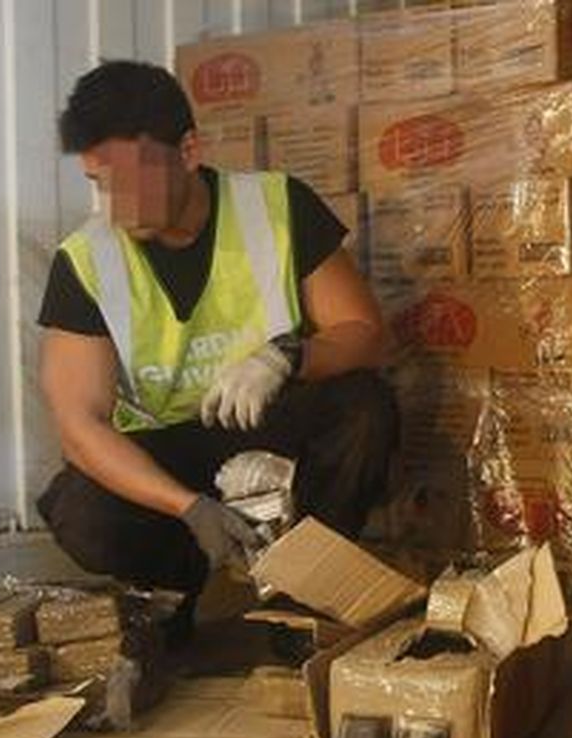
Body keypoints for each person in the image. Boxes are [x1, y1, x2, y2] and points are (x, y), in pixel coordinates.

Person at [36, 60, 396, 621]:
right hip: (167, 452)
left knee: (364, 408)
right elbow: (80, 427)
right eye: (101, 183)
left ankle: (304, 598)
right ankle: (173, 596)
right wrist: (190, 508)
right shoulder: (84, 262)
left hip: (268, 427)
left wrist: (287, 356)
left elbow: (366, 335)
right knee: (81, 510)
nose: (119, 204)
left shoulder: (277, 208)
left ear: (188, 151)